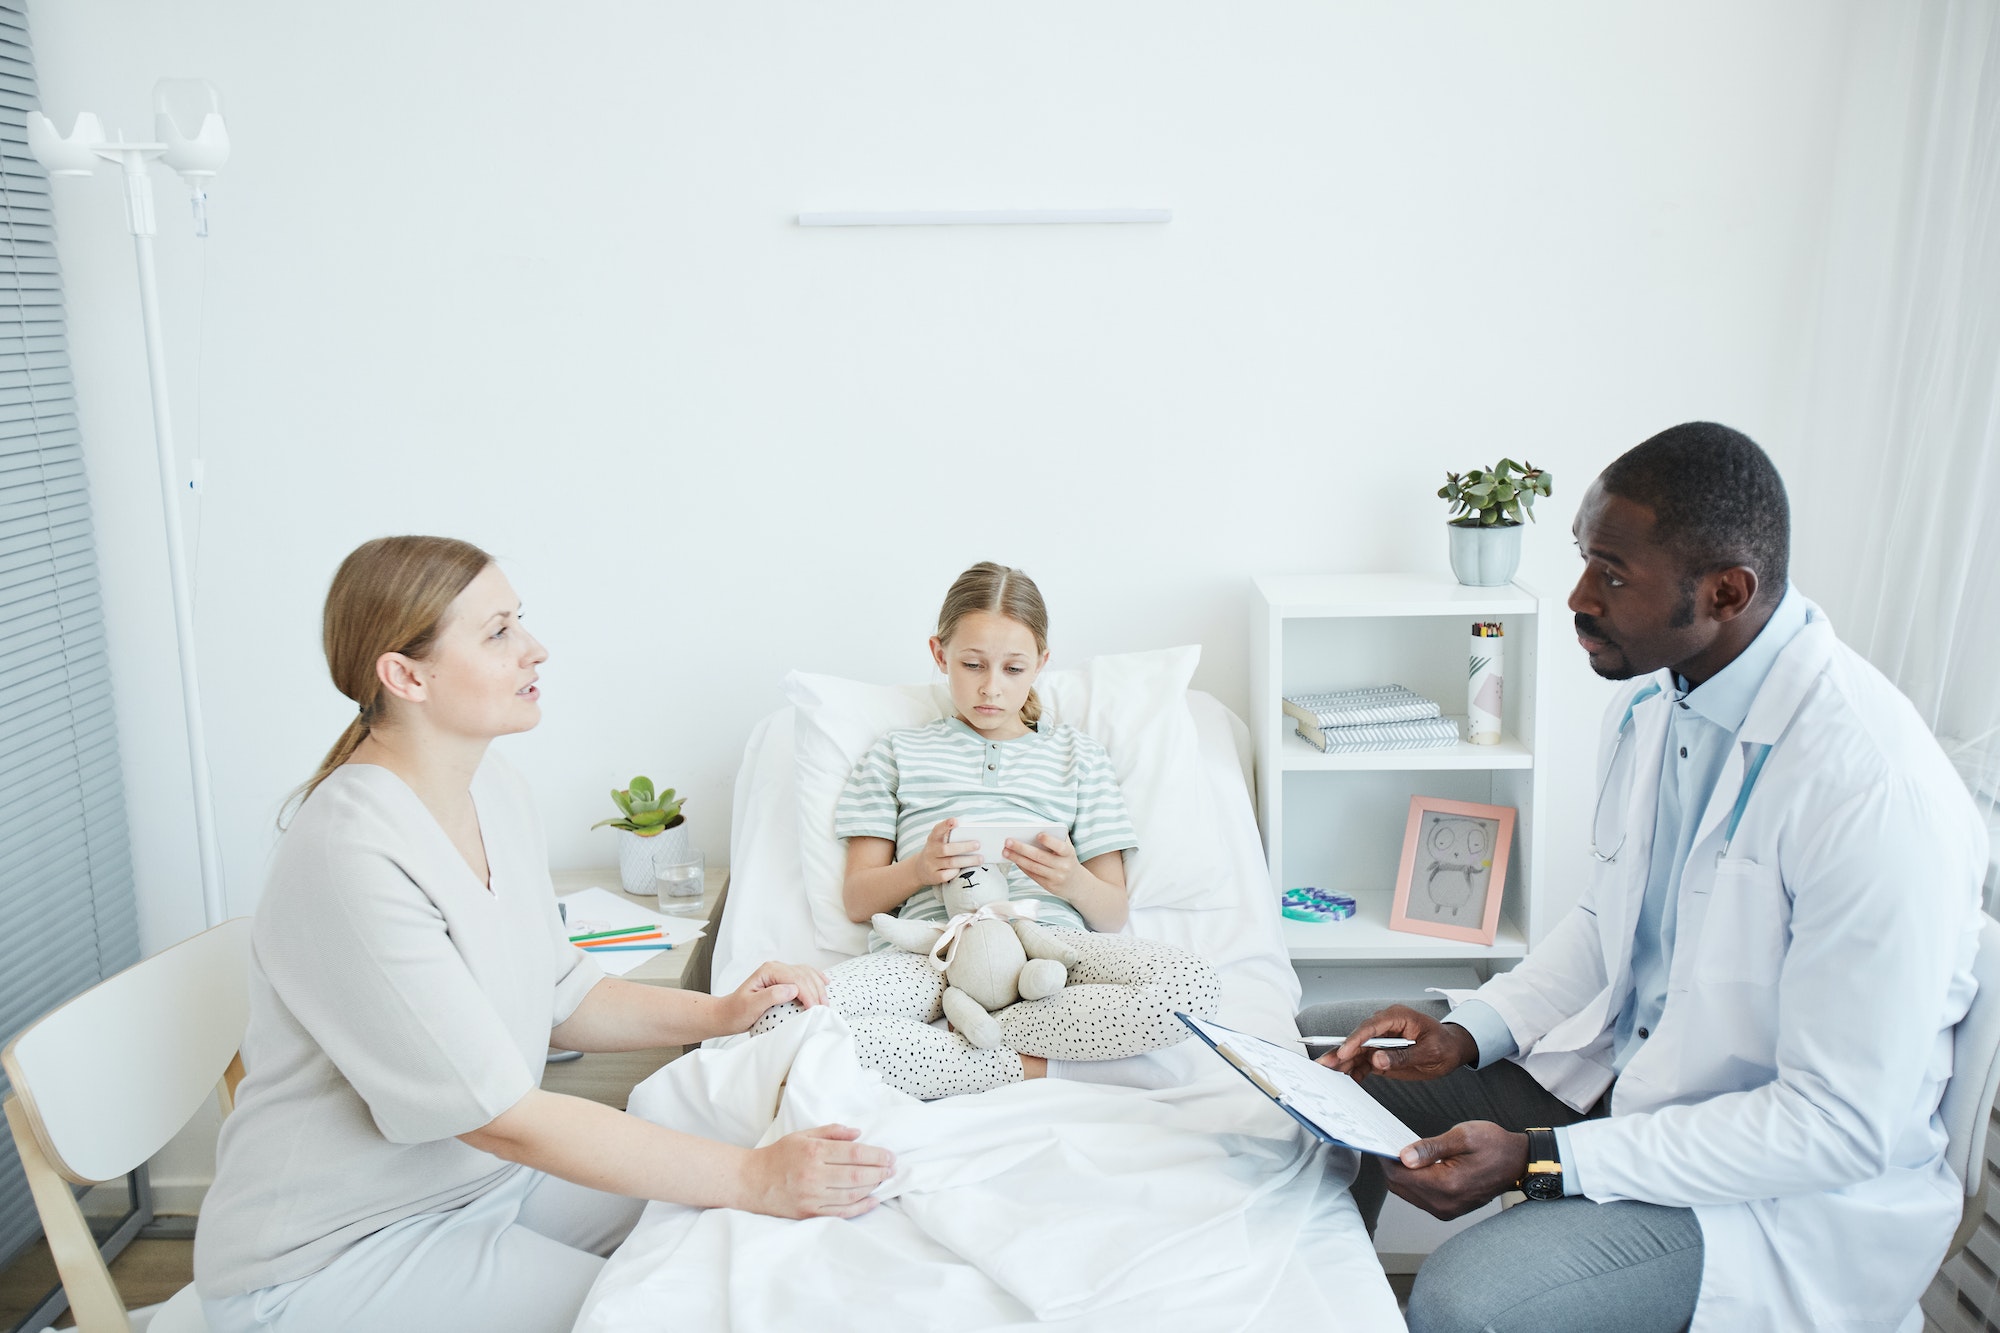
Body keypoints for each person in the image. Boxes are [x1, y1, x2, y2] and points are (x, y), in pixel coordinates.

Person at [1315, 423, 1988, 1332]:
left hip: (1769, 1187)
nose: (1579, 597)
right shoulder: (1653, 698)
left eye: (1614, 573)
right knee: (1327, 1058)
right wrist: (1467, 1035)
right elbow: (1606, 922)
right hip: (1618, 1083)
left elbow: (1836, 1126)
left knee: (1469, 1302)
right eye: (1585, 559)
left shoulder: (1874, 792)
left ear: (1726, 591)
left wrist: (1537, 1159)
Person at [194, 536, 895, 1333]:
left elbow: (557, 992)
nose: (535, 648)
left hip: (485, 1181)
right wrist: (755, 1178)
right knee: (684, 1299)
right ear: (405, 675)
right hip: (338, 1254)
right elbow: (501, 1114)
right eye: (497, 632)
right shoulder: (349, 852)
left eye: (519, 621)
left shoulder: (492, 784)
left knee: (734, 1241)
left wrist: (720, 1012)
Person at [754, 561, 1219, 1099]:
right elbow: (859, 900)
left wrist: (1070, 881)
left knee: (1194, 988)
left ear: (1041, 664)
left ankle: (955, 1046)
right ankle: (1034, 1065)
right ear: (939, 654)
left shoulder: (1079, 758)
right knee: (780, 1016)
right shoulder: (895, 754)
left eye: (1013, 669)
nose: (991, 689)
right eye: (972, 664)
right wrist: (918, 871)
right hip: (930, 954)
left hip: (1049, 954)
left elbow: (1112, 913)